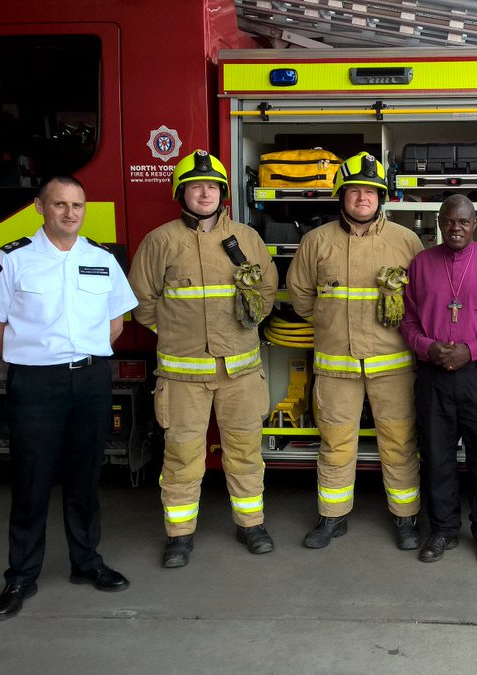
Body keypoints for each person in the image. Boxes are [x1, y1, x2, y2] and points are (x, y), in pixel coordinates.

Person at [0, 175, 138, 621]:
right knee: (31, 481)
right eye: (59, 204)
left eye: (77, 205)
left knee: (85, 479)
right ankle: (21, 576)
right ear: (40, 207)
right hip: (36, 384)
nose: (69, 213)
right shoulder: (14, 259)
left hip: (90, 381)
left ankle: (86, 563)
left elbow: (116, 321)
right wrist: (32, 359)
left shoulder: (101, 258)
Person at [128, 150, 279, 567]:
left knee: (246, 450)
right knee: (181, 455)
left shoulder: (246, 239)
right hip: (182, 375)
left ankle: (251, 524)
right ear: (182, 193)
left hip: (241, 372)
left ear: (223, 193)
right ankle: (179, 535)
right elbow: (141, 303)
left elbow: (266, 292)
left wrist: (246, 324)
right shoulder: (160, 242)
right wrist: (177, 333)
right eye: (196, 186)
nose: (205, 193)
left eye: (212, 186)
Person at [286, 151, 424, 551]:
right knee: (334, 444)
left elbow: (422, 299)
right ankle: (332, 517)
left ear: (382, 198)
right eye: (355, 191)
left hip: (393, 368)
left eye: (371, 191)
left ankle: (405, 517)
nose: (363, 198)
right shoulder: (316, 242)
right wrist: (330, 325)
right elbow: (301, 297)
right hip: (336, 366)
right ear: (341, 195)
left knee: (399, 443)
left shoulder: (407, 242)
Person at [399, 195, 477, 567]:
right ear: (439, 222)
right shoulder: (421, 264)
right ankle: (443, 531)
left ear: (476, 224)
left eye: (464, 222)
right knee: (436, 456)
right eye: (449, 221)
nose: (456, 227)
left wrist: (472, 349)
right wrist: (427, 347)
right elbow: (407, 321)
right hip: (433, 375)